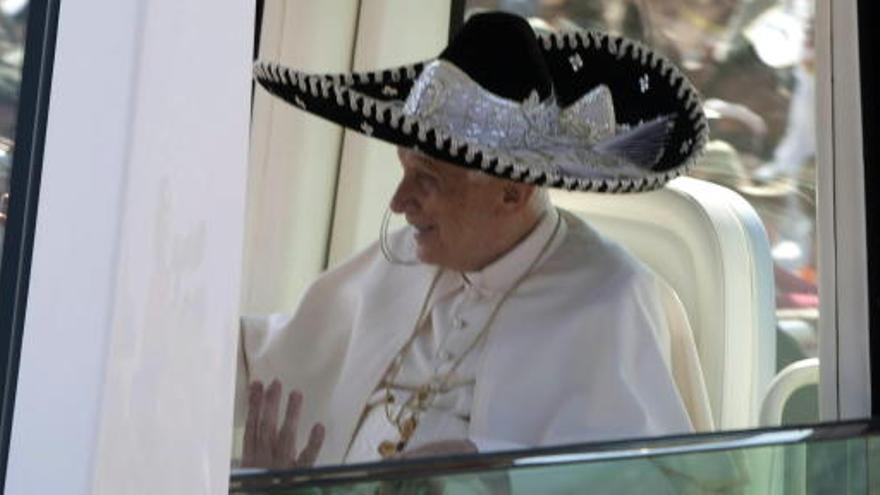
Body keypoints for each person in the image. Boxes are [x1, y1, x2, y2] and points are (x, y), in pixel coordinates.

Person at [237, 11, 710, 469]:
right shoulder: (402, 258)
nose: (399, 202)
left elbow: (643, 477)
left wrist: (491, 471)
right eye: (405, 170)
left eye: (428, 179)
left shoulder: (612, 300)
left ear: (512, 193)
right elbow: (264, 361)